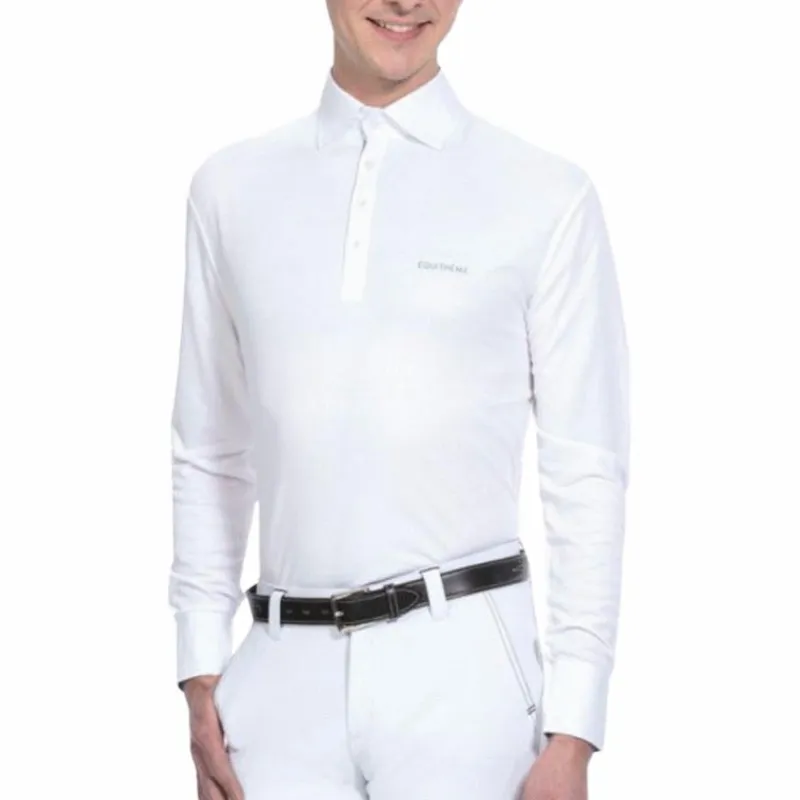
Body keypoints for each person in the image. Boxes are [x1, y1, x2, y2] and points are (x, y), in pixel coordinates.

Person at [168, 1, 630, 798]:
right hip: (278, 683)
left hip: (465, 679)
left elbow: (587, 468)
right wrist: (200, 667)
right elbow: (209, 448)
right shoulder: (230, 189)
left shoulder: (545, 194)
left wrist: (576, 727)